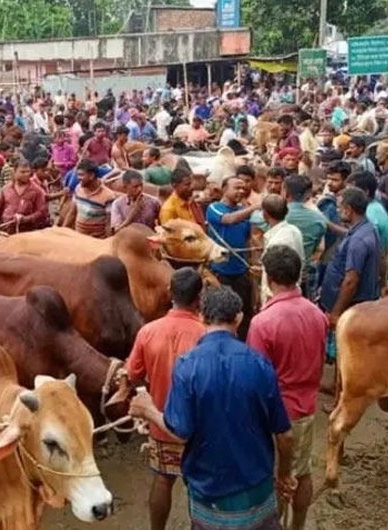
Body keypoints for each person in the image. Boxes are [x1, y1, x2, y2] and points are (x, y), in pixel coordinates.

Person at [129, 285, 295, 530]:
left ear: (203, 317)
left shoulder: (187, 366)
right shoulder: (260, 364)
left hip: (210, 492)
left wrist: (148, 410)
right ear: (238, 318)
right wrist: (283, 474)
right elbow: (285, 435)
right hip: (256, 489)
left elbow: (180, 430)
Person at [247, 246, 328, 530]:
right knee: (302, 472)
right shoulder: (317, 315)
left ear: (268, 278)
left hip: (276, 415)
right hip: (305, 407)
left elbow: (256, 380)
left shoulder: (262, 323)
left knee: (277, 479)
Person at [126, 267, 206, 530]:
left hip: (160, 421)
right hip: (197, 428)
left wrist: (146, 395)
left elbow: (133, 373)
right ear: (199, 298)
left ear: (170, 293)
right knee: (200, 484)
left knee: (162, 479)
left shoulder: (148, 331)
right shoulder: (206, 335)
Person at [319, 187, 380, 394]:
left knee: (344, 349)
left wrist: (336, 311)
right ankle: (337, 386)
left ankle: (341, 394)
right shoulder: (364, 229)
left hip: (350, 304)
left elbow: (351, 280)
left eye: (340, 207)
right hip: (355, 301)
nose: (338, 211)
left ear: (348, 209)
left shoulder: (358, 241)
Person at [206, 177, 258, 339]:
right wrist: (255, 207)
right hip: (220, 274)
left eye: (243, 188)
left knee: (244, 313)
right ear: (224, 189)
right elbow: (228, 220)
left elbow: (249, 238)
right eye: (236, 188)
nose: (241, 191)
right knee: (221, 314)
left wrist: (253, 262)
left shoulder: (244, 210)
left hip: (241, 272)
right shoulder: (214, 208)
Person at [259, 195, 304, 305]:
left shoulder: (276, 242)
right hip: (294, 291)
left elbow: (274, 280)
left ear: (265, 214)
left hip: (277, 297)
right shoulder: (294, 231)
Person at [0, 160, 49, 233]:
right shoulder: (6, 189)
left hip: (27, 232)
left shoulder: (37, 190)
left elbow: (42, 213)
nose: (26, 174)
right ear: (14, 172)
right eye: (22, 172)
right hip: (6, 230)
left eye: (28, 172)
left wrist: (25, 219)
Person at [73, 159, 118, 238]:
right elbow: (72, 212)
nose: (78, 178)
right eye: (78, 175)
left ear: (91, 176)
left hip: (96, 241)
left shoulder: (108, 196)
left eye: (81, 175)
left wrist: (107, 243)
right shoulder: (78, 188)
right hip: (79, 238)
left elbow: (109, 223)